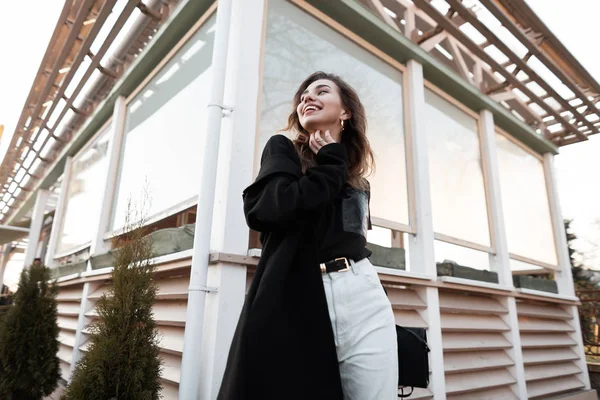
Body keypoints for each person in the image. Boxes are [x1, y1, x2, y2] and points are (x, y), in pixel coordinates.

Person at [218, 72, 398, 400]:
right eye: (303, 95)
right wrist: (329, 163)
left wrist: (336, 163)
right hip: (299, 296)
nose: (306, 98)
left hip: (362, 292)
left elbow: (352, 239)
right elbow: (267, 211)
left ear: (346, 113)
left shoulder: (357, 180)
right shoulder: (283, 150)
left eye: (321, 91)